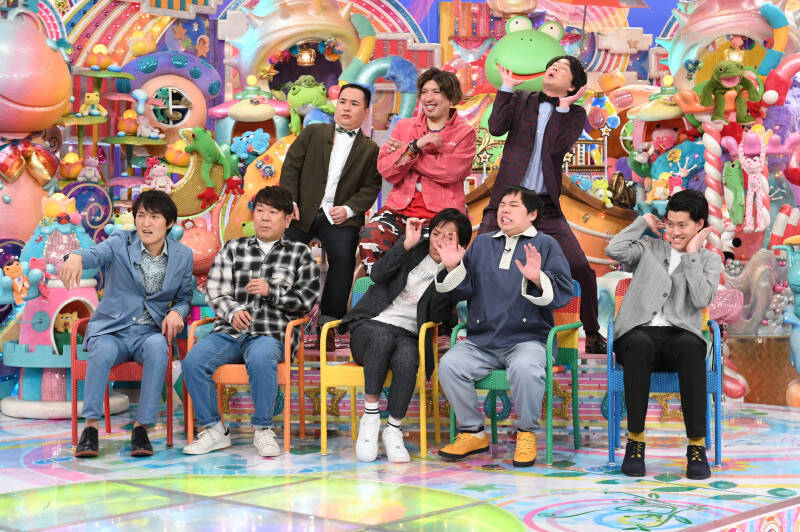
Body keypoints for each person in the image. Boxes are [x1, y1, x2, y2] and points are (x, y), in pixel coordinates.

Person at [435, 186, 574, 467]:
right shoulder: (482, 244)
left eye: (513, 205)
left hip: (528, 339)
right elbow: (463, 290)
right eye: (501, 205)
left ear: (532, 214)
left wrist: (538, 278)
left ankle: (525, 433)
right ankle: (473, 432)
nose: (504, 210)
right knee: (450, 365)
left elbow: (563, 291)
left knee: (525, 367)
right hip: (482, 340)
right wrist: (452, 267)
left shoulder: (546, 245)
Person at [479, 56, 605, 354]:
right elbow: (495, 128)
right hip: (507, 201)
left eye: (563, 68)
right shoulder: (521, 99)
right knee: (479, 258)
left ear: (572, 86)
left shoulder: (575, 114)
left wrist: (563, 108)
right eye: (553, 64)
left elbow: (556, 147)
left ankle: (592, 332)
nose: (555, 68)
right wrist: (506, 87)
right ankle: (472, 327)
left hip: (545, 206)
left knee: (581, 268)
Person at [181, 186, 320, 456]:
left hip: (272, 334)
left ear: (287, 220)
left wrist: (272, 291)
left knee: (260, 356)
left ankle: (263, 430)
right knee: (193, 361)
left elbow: (307, 299)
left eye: (273, 212)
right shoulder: (233, 249)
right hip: (230, 332)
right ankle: (214, 430)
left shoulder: (300, 253)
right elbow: (215, 290)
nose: (264, 217)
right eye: (260, 211)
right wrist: (232, 311)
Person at [60, 190, 193, 458]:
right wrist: (76, 256)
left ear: (169, 223)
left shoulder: (183, 255)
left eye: (154, 217)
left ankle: (142, 428)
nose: (146, 223)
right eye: (141, 216)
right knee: (102, 351)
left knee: (159, 348)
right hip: (112, 330)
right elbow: (95, 254)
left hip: (149, 332)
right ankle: (90, 428)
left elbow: (184, 298)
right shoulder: (120, 241)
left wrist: (177, 313)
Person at [605, 190, 721, 480]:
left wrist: (691, 255)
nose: (674, 232)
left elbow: (701, 299)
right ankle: (635, 442)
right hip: (638, 333)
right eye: (670, 224)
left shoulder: (708, 260)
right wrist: (642, 222)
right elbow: (614, 250)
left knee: (691, 347)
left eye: (682, 225)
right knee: (639, 343)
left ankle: (696, 447)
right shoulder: (649, 247)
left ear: (699, 224)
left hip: (680, 337)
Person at [343, 208, 471, 462]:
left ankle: (393, 429)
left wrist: (449, 271)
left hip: (408, 334)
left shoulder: (459, 272)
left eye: (449, 237)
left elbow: (438, 316)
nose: (439, 241)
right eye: (436, 233)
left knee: (407, 357)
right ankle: (370, 418)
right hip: (370, 325)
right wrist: (404, 245)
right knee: (382, 336)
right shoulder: (413, 248)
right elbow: (377, 275)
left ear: (462, 245)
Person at [280, 83, 381, 328]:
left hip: (340, 217)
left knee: (343, 259)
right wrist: (290, 201)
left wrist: (348, 209)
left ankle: (330, 321)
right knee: (285, 254)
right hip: (301, 210)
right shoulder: (313, 133)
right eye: (343, 102)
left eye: (354, 104)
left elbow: (371, 186)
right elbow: (291, 167)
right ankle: (281, 311)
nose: (346, 108)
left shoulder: (370, 149)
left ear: (366, 112)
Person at [358, 68, 476, 271]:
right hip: (398, 209)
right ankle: (378, 284)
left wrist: (408, 153)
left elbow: (449, 172)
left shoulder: (465, 133)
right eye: (424, 92)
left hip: (442, 215)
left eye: (436, 92)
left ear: (451, 97)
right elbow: (386, 170)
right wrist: (416, 145)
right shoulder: (403, 127)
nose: (428, 98)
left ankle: (413, 290)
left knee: (427, 257)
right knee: (370, 237)